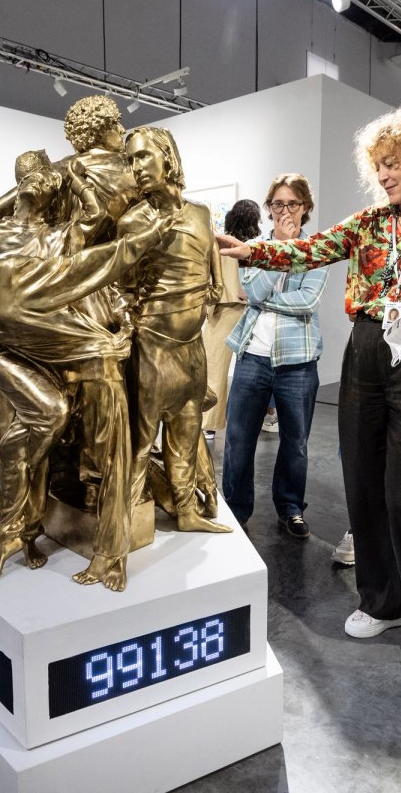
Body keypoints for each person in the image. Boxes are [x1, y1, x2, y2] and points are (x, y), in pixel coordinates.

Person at [218, 103, 401, 656]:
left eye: (393, 163)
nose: (384, 175)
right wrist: (251, 249)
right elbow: (310, 248)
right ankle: (383, 599)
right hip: (368, 351)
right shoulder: (371, 223)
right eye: (378, 166)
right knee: (366, 487)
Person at [0, 212, 169, 591]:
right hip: (66, 380)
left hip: (98, 366)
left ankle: (113, 555)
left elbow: (75, 270)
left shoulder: (8, 271)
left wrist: (137, 243)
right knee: (30, 455)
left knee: (112, 459)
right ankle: (21, 532)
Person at [120, 126, 229, 536]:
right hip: (152, 347)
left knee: (186, 434)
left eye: (143, 156)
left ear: (168, 157)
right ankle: (128, 525)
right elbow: (122, 286)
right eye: (130, 160)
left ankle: (186, 510)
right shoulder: (134, 221)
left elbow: (212, 263)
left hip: (192, 347)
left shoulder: (199, 213)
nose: (137, 168)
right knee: (140, 442)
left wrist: (212, 287)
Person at [221, 173, 328, 539]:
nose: (285, 211)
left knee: (295, 442)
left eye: (293, 204)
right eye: (279, 204)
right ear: (269, 208)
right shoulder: (253, 246)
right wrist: (280, 249)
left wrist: (263, 293)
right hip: (252, 355)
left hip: (298, 361)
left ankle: (291, 508)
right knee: (238, 439)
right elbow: (251, 291)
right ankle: (235, 508)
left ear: (306, 208)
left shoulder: (316, 250)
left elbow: (307, 301)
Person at [201, 199, 256, 438]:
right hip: (252, 309)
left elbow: (208, 277)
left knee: (214, 369)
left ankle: (210, 425)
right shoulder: (255, 246)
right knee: (260, 368)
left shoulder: (220, 243)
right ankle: (269, 416)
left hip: (223, 309)